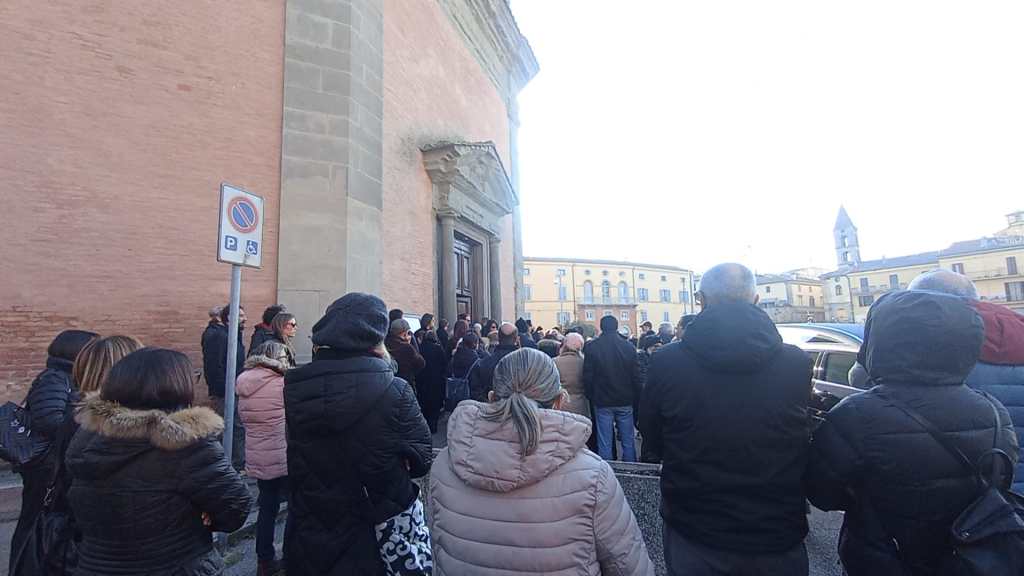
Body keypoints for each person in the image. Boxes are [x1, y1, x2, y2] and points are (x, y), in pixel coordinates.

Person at [806, 289, 1019, 575]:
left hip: (884, 558)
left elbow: (822, 493)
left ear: (882, 342)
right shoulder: (993, 409)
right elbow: (1000, 478)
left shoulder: (856, 414)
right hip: (968, 556)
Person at [640, 263, 812, 575]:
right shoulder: (796, 363)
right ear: (756, 300)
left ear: (701, 300)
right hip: (776, 525)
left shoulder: (667, 362)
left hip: (695, 523)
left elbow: (651, 433)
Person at [429, 348, 654, 575]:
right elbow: (628, 565)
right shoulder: (593, 476)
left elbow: (439, 551)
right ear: (559, 401)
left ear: (492, 398)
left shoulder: (445, 464)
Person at [67, 348, 253, 576]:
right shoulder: (186, 443)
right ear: (177, 384)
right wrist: (202, 514)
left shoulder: (87, 437)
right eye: (193, 377)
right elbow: (236, 507)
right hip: (175, 566)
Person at [285, 293, 433, 575]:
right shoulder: (396, 390)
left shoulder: (295, 386)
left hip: (311, 525)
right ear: (375, 338)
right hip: (375, 529)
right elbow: (422, 459)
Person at [9, 330, 98, 576]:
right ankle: (23, 566)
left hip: (53, 464)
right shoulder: (55, 378)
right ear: (77, 352)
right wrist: (80, 425)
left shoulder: (69, 378)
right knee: (35, 522)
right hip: (45, 466)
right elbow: (50, 421)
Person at [236, 341, 291, 576]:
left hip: (257, 455)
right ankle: (290, 555)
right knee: (294, 506)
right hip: (283, 453)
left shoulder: (244, 383)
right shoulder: (282, 384)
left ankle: (264, 560)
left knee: (267, 507)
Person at [583, 315, 641, 462]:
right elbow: (635, 375)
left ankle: (608, 468)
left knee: (604, 440)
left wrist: (591, 395)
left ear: (601, 327)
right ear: (617, 327)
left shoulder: (592, 347)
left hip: (602, 399)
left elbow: (588, 375)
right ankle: (630, 467)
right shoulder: (628, 347)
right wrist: (637, 396)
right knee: (628, 438)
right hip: (625, 398)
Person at [201, 304, 246, 471]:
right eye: (241, 316)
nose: (245, 319)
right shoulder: (218, 336)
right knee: (225, 428)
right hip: (225, 391)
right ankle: (224, 466)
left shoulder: (231, 334)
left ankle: (235, 464)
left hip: (233, 389)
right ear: (229, 318)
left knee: (236, 427)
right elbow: (214, 366)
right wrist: (223, 390)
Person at [468, 322, 519, 402]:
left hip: (489, 407)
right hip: (519, 408)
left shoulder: (482, 364)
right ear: (516, 339)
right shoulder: (526, 364)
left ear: (498, 337)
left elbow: (475, 393)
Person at [416, 330, 449, 434]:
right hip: (436, 381)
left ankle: (424, 426)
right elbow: (444, 363)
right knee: (434, 405)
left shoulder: (420, 348)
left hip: (422, 380)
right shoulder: (438, 348)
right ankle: (433, 427)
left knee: (424, 403)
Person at [553, 332, 588, 419]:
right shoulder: (585, 362)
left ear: (564, 345)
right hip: (581, 406)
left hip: (560, 405)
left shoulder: (554, 362)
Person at [386, 318, 426, 390]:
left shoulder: (384, 344)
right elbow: (421, 363)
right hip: (406, 384)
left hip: (388, 384)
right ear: (405, 333)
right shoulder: (407, 348)